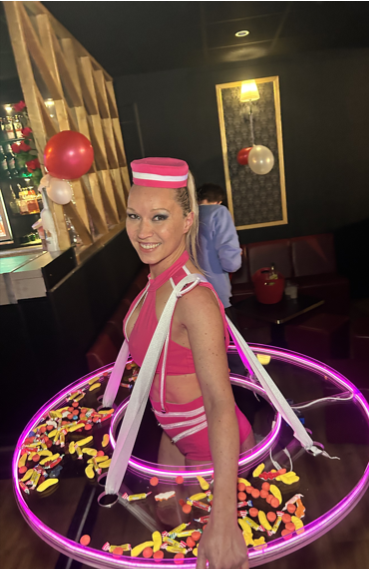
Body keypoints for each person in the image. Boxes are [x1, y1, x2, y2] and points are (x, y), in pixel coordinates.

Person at [124, 158, 254, 569]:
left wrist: (224, 517)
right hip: (175, 436)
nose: (142, 231)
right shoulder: (153, 280)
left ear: (187, 220)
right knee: (169, 525)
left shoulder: (192, 298)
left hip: (212, 448)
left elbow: (219, 403)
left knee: (210, 553)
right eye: (133, 215)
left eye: (158, 217)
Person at [197, 183, 242, 310]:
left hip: (192, 285)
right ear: (219, 201)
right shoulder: (219, 212)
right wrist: (235, 258)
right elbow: (229, 257)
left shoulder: (188, 216)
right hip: (215, 284)